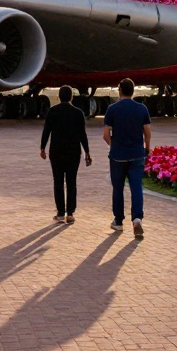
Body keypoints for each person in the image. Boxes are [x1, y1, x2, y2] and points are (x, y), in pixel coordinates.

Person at [103, 78, 150, 239]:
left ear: (120, 91)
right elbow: (147, 132)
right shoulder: (142, 108)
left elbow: (105, 135)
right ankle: (137, 219)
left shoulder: (112, 109)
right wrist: (147, 147)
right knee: (136, 187)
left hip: (118, 156)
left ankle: (118, 221)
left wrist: (113, 145)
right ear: (133, 91)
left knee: (118, 188)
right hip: (137, 154)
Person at [41, 86, 92, 224]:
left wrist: (42, 148)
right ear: (71, 97)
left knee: (58, 181)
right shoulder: (78, 113)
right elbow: (82, 135)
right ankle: (70, 213)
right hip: (73, 152)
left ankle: (60, 213)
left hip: (56, 151)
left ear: (58, 97)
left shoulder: (52, 111)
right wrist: (87, 151)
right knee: (71, 182)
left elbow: (46, 131)